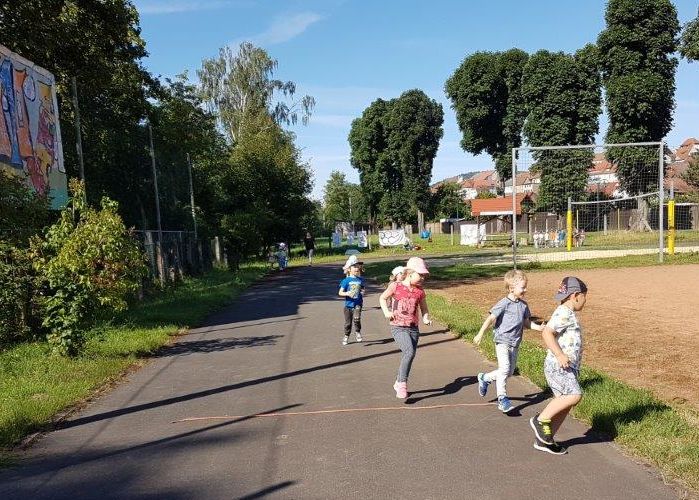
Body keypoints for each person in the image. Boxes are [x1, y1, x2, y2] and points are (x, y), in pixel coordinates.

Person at [530, 276, 588, 456]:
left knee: (564, 403)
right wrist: (560, 355)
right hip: (559, 365)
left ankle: (545, 440)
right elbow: (547, 332)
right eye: (585, 296)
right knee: (574, 395)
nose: (585, 301)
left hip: (567, 367)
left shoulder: (567, 313)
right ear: (576, 295)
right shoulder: (564, 312)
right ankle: (541, 421)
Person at [473, 270, 543, 413]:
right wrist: (480, 334)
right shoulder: (503, 304)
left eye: (525, 287)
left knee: (509, 372)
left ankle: (485, 378)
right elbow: (491, 319)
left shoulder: (524, 305)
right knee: (504, 369)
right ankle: (502, 399)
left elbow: (526, 323)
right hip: (502, 341)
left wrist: (539, 328)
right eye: (523, 287)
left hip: (515, 343)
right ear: (511, 288)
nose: (526, 290)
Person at [379, 257, 432, 399]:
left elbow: (424, 309)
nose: (422, 278)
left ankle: (398, 381)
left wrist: (426, 318)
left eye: (424, 276)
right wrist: (386, 312)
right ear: (409, 273)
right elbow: (382, 298)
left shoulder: (420, 291)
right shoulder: (395, 286)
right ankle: (402, 384)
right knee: (409, 352)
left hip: (413, 328)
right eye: (420, 275)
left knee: (410, 355)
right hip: (398, 327)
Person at [338, 261, 365, 345]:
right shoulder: (346, 280)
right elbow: (340, 292)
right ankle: (346, 335)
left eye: (357, 269)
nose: (356, 270)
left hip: (358, 303)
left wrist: (363, 292)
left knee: (357, 318)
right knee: (348, 323)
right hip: (348, 305)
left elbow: (363, 289)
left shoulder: (360, 280)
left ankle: (357, 332)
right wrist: (347, 293)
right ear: (349, 270)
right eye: (354, 269)